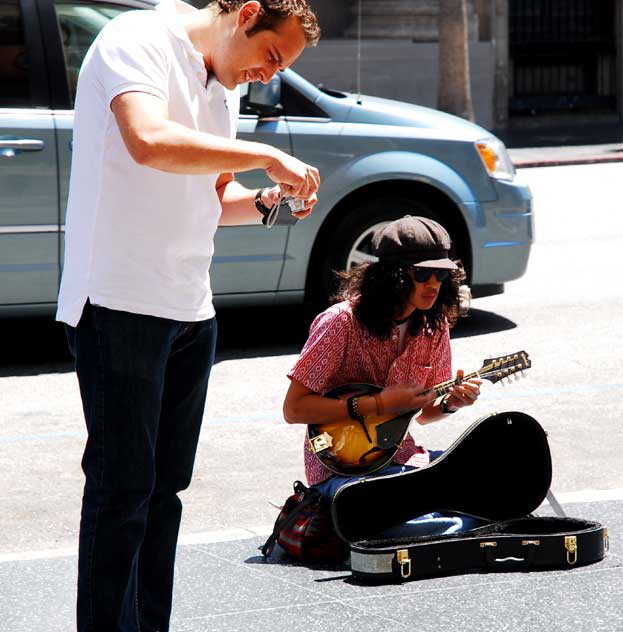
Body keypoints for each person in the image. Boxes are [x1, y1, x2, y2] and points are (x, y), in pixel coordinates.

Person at [56, 1, 320, 630]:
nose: (269, 73)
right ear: (245, 14)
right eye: (272, 56)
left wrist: (267, 202)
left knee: (164, 493)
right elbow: (148, 142)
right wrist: (265, 153)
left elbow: (213, 194)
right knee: (121, 493)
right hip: (117, 302)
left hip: (190, 308)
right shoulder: (137, 39)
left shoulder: (224, 82)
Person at [283, 215, 484, 537]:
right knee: (391, 513)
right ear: (392, 276)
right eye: (422, 274)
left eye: (442, 274)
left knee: (490, 475)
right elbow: (294, 410)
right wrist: (376, 403)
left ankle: (448, 522)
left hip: (404, 457)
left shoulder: (435, 326)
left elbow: (422, 416)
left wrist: (452, 403)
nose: (433, 283)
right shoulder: (340, 323)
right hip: (343, 469)